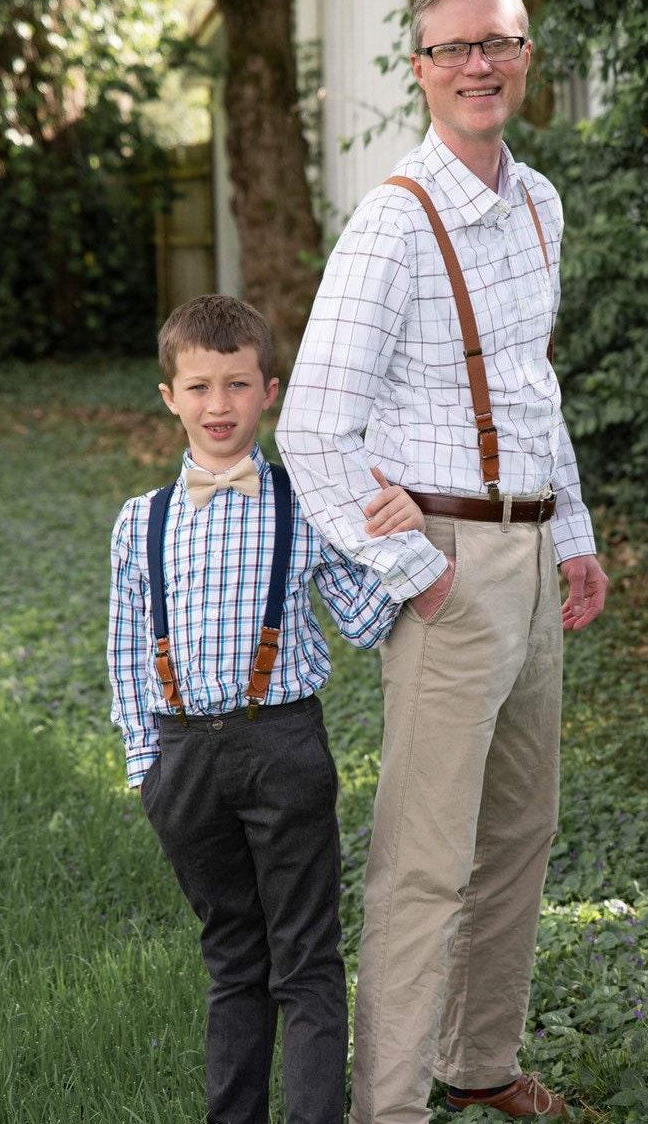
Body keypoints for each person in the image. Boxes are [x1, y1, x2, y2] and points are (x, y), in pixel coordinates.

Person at [276, 0, 609, 1120]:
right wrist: (410, 567)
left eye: (498, 42)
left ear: (525, 57)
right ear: (418, 68)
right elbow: (311, 427)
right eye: (454, 47)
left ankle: (478, 1062)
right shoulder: (393, 222)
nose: (479, 64)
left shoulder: (539, 203)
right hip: (451, 564)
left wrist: (572, 532)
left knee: (520, 830)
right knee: (423, 861)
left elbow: (532, 386)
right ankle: (389, 1107)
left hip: (530, 548)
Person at [107, 294, 426, 1124]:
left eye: (238, 385)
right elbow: (127, 652)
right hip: (183, 760)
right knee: (232, 957)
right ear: (170, 396)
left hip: (283, 746)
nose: (219, 405)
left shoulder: (304, 504)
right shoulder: (140, 522)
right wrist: (148, 770)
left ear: (269, 392)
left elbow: (365, 620)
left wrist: (400, 533)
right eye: (199, 387)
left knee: (306, 957)